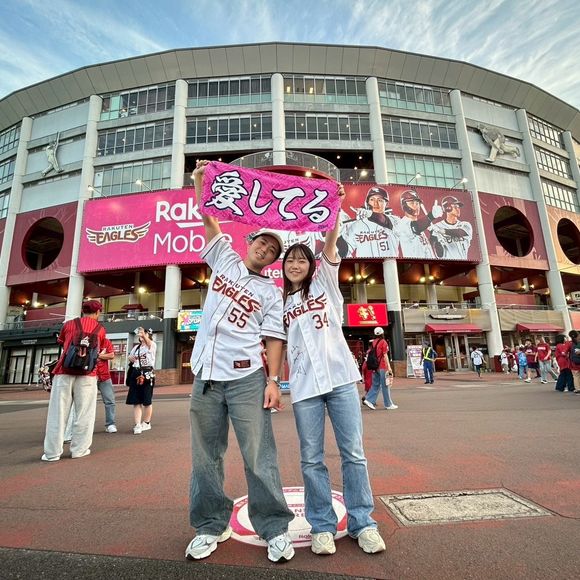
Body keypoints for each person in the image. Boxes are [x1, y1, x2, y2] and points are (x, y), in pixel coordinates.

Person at [185, 160, 294, 564]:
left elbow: (275, 338)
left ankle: (274, 526)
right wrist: (200, 181)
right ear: (251, 241)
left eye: (273, 250)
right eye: (263, 242)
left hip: (247, 377)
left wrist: (273, 381)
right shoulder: (226, 259)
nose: (265, 249)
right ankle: (211, 524)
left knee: (258, 455)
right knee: (205, 458)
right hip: (205, 375)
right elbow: (208, 217)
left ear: (274, 259)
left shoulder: (271, 292)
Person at [281, 186, 386, 556]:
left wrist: (336, 204)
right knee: (311, 459)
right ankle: (322, 526)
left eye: (302, 260)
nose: (296, 265)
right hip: (305, 387)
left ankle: (363, 523)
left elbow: (330, 240)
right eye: (290, 261)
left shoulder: (325, 282)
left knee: (353, 453)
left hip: (340, 380)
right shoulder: (279, 301)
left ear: (311, 265)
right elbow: (277, 345)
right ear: (284, 267)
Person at [41, 300, 106, 462]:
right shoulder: (100, 329)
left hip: (64, 371)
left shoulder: (69, 324)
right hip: (88, 374)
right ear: (98, 312)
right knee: (84, 413)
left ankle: (52, 453)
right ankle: (79, 450)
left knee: (58, 413)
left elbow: (63, 343)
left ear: (83, 310)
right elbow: (98, 350)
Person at [339, 186, 400, 258]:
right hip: (365, 264)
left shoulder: (394, 220)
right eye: (372, 199)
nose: (375, 203)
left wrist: (370, 214)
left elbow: (383, 221)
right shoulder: (356, 225)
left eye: (380, 200)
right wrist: (338, 235)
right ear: (367, 203)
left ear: (386, 204)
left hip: (389, 263)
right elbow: (343, 252)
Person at [126, 327, 156, 434]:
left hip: (147, 373)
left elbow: (149, 343)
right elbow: (130, 357)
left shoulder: (152, 345)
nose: (142, 336)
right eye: (141, 335)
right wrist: (131, 358)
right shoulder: (136, 347)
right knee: (136, 400)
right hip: (136, 373)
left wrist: (144, 335)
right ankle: (137, 424)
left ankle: (146, 423)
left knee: (147, 400)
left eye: (145, 334)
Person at [394, 190, 441, 258]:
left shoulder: (421, 227)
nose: (416, 205)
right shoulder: (402, 224)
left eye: (417, 203)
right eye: (412, 203)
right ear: (404, 205)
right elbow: (415, 227)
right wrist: (431, 215)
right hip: (414, 262)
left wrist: (433, 237)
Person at [362, 328, 397, 410]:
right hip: (383, 366)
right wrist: (389, 367)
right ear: (382, 333)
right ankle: (388, 404)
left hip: (375, 367)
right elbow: (385, 355)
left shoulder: (373, 342)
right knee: (385, 385)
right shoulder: (383, 342)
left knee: (375, 384)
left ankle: (369, 399)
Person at [430, 196, 473, 260]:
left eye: (458, 207)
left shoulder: (465, 225)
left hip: (463, 262)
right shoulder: (437, 226)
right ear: (447, 208)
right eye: (455, 206)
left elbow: (459, 232)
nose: (458, 209)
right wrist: (433, 236)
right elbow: (439, 254)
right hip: (447, 263)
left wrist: (441, 230)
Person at [97, 337, 117, 433]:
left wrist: (98, 355)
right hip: (89, 376)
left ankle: (110, 424)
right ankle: (84, 426)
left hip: (104, 376)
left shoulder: (106, 341)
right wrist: (103, 355)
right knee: (86, 403)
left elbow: (111, 355)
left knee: (110, 401)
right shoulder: (88, 340)